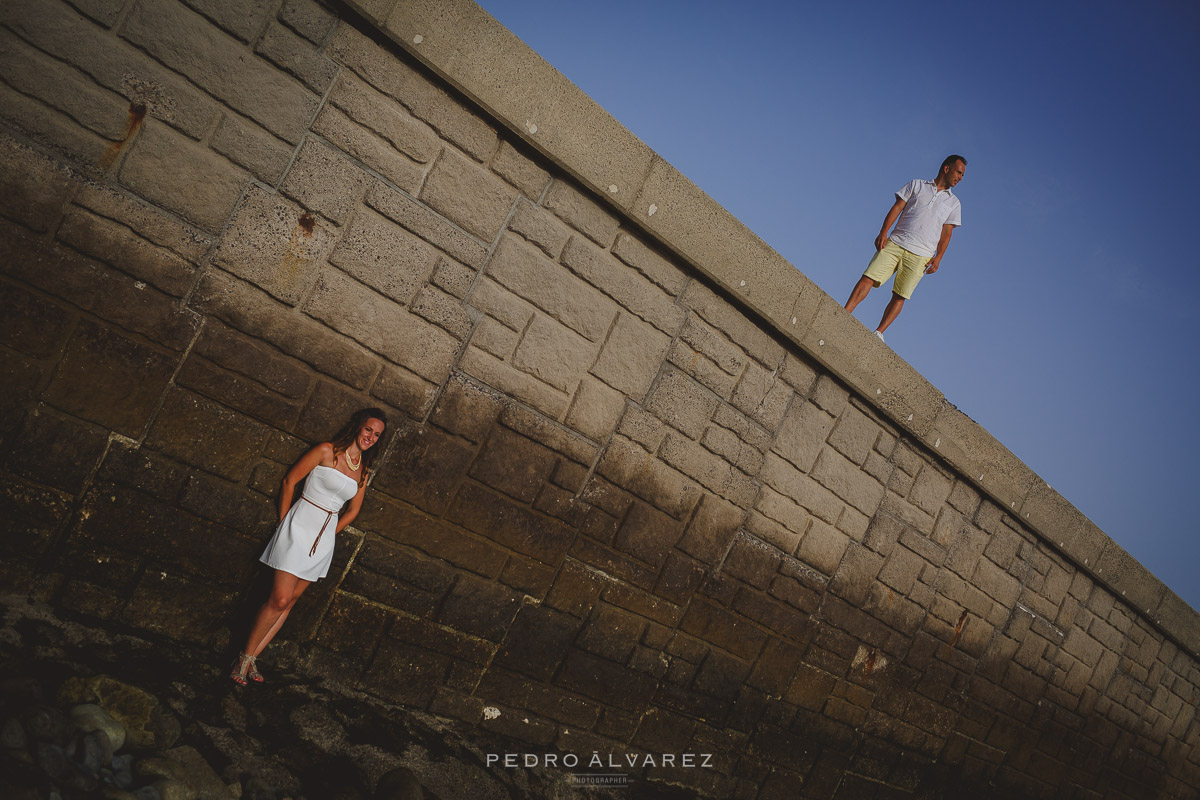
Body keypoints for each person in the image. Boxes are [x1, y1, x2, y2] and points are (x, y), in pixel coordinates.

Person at [231, 408, 388, 685]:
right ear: (358, 427)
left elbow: (352, 512)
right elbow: (290, 481)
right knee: (278, 598)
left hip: (323, 540)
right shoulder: (327, 451)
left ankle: (254, 658)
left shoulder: (363, 471)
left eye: (377, 435)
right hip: (298, 527)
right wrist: (284, 523)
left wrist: (330, 534)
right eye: (368, 430)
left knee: (290, 602)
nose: (371, 437)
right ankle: (242, 658)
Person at [844, 155, 966, 341]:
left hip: (922, 255)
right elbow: (897, 208)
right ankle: (844, 313)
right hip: (896, 242)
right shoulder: (917, 185)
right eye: (958, 172)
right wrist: (883, 232)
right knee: (868, 277)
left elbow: (946, 233)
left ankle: (879, 332)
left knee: (900, 295)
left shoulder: (954, 203)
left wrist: (939, 257)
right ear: (947, 169)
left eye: (963, 175)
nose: (960, 178)